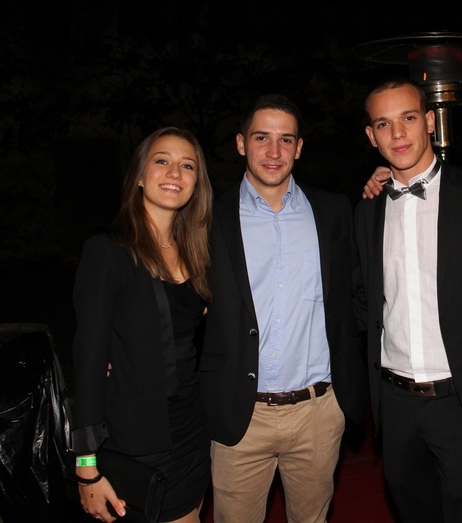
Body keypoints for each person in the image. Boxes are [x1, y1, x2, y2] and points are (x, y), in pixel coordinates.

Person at [354, 77, 462, 523]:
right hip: (396, 403)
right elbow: (366, 300)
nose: (397, 134)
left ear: (430, 121)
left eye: (409, 118)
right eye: (383, 124)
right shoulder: (368, 208)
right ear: (371, 136)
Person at [199, 93, 366, 523]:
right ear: (241, 143)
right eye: (261, 138)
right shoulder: (207, 219)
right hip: (241, 416)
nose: (274, 152)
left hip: (318, 414)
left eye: (285, 139)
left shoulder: (333, 211)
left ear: (299, 147)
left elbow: (357, 292)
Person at [71, 127, 214, 522]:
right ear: (138, 174)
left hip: (193, 430)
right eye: (162, 160)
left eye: (187, 166)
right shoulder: (107, 252)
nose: (175, 173)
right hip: (139, 439)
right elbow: (89, 361)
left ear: (197, 183)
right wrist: (86, 465)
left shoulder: (199, 252)